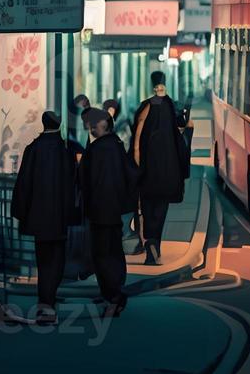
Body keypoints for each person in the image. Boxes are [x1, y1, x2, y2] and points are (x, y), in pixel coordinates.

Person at [12, 111, 78, 324]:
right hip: (60, 213)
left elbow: (24, 182)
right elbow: (74, 184)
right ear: (59, 125)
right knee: (57, 257)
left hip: (39, 214)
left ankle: (45, 300)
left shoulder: (33, 149)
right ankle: (49, 299)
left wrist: (21, 210)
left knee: (43, 257)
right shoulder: (65, 150)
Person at [77, 108, 136, 314]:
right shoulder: (116, 144)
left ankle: (113, 297)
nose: (91, 128)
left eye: (95, 124)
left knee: (102, 254)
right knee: (113, 251)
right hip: (114, 209)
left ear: (105, 124)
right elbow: (130, 175)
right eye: (90, 124)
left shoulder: (99, 149)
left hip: (100, 209)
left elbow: (86, 180)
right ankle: (114, 293)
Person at [131, 70, 189, 265]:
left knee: (147, 210)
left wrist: (137, 163)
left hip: (148, 169)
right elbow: (183, 130)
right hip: (169, 169)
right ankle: (156, 245)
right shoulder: (172, 105)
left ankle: (150, 246)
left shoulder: (146, 106)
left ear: (152, 84)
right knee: (161, 211)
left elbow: (137, 138)